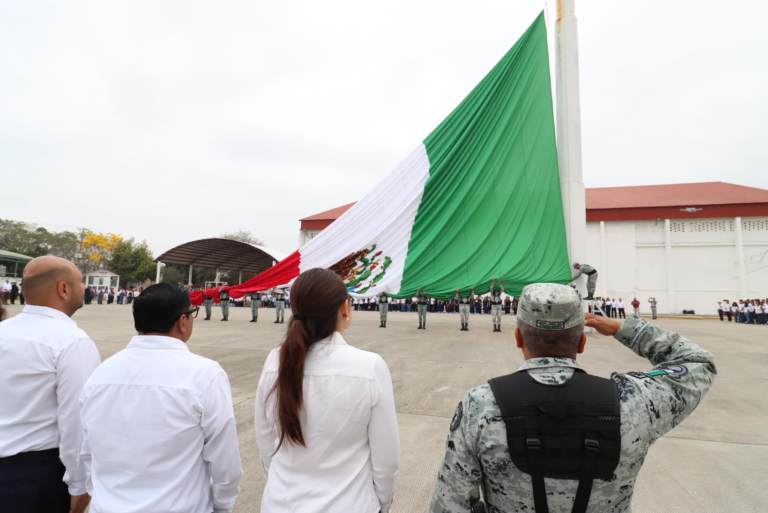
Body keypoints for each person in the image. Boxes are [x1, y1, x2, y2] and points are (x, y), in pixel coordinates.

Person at [429, 282, 716, 513]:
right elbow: (698, 363)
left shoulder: (481, 404)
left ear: (518, 338)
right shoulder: (634, 400)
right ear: (582, 342)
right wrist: (623, 329)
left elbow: (450, 505)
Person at [79, 283, 242, 512]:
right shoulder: (204, 374)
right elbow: (225, 462)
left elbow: (87, 452)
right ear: (182, 321)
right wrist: (222, 506)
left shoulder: (101, 374)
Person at [255, 268, 400, 512]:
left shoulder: (274, 362)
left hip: (281, 504)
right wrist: (383, 503)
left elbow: (267, 443)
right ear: (345, 307)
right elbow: (386, 459)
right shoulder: (369, 366)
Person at [0, 256, 100, 513]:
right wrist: (80, 485)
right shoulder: (71, 340)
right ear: (63, 289)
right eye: (80, 282)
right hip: (35, 478)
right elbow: (76, 421)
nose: (84, 288)